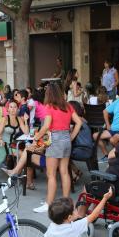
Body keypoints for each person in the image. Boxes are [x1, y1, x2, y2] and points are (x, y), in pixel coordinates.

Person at [33, 83, 82, 213]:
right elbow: (79, 122)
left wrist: (36, 137)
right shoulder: (68, 106)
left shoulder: (49, 107)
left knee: (51, 174)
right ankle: (67, 202)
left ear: (48, 94)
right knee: (64, 172)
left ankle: (48, 204)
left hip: (54, 140)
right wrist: (71, 137)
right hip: (66, 139)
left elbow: (46, 125)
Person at [0, 100, 28, 166]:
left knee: (27, 153)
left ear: (17, 109)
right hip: (4, 145)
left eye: (15, 107)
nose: (13, 109)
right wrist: (0, 140)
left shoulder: (19, 119)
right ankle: (16, 172)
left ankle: (17, 172)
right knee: (24, 155)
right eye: (11, 107)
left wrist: (25, 121)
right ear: (8, 109)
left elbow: (26, 132)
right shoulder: (4, 119)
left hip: (13, 145)